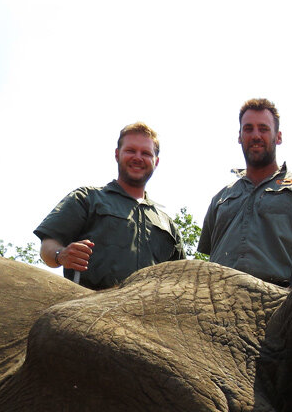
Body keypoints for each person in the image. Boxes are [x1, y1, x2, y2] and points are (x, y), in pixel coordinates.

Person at [197, 98, 292, 287]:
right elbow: (206, 259)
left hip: (279, 303)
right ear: (239, 136)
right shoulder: (220, 199)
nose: (256, 135)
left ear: (278, 137)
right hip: (217, 302)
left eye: (263, 129)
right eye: (248, 129)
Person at [35, 122, 184, 290]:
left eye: (146, 153)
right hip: (90, 310)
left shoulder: (169, 226)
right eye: (130, 150)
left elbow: (181, 281)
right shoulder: (86, 199)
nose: (138, 157)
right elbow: (47, 247)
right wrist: (60, 255)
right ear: (117, 154)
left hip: (149, 314)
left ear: (155, 162)